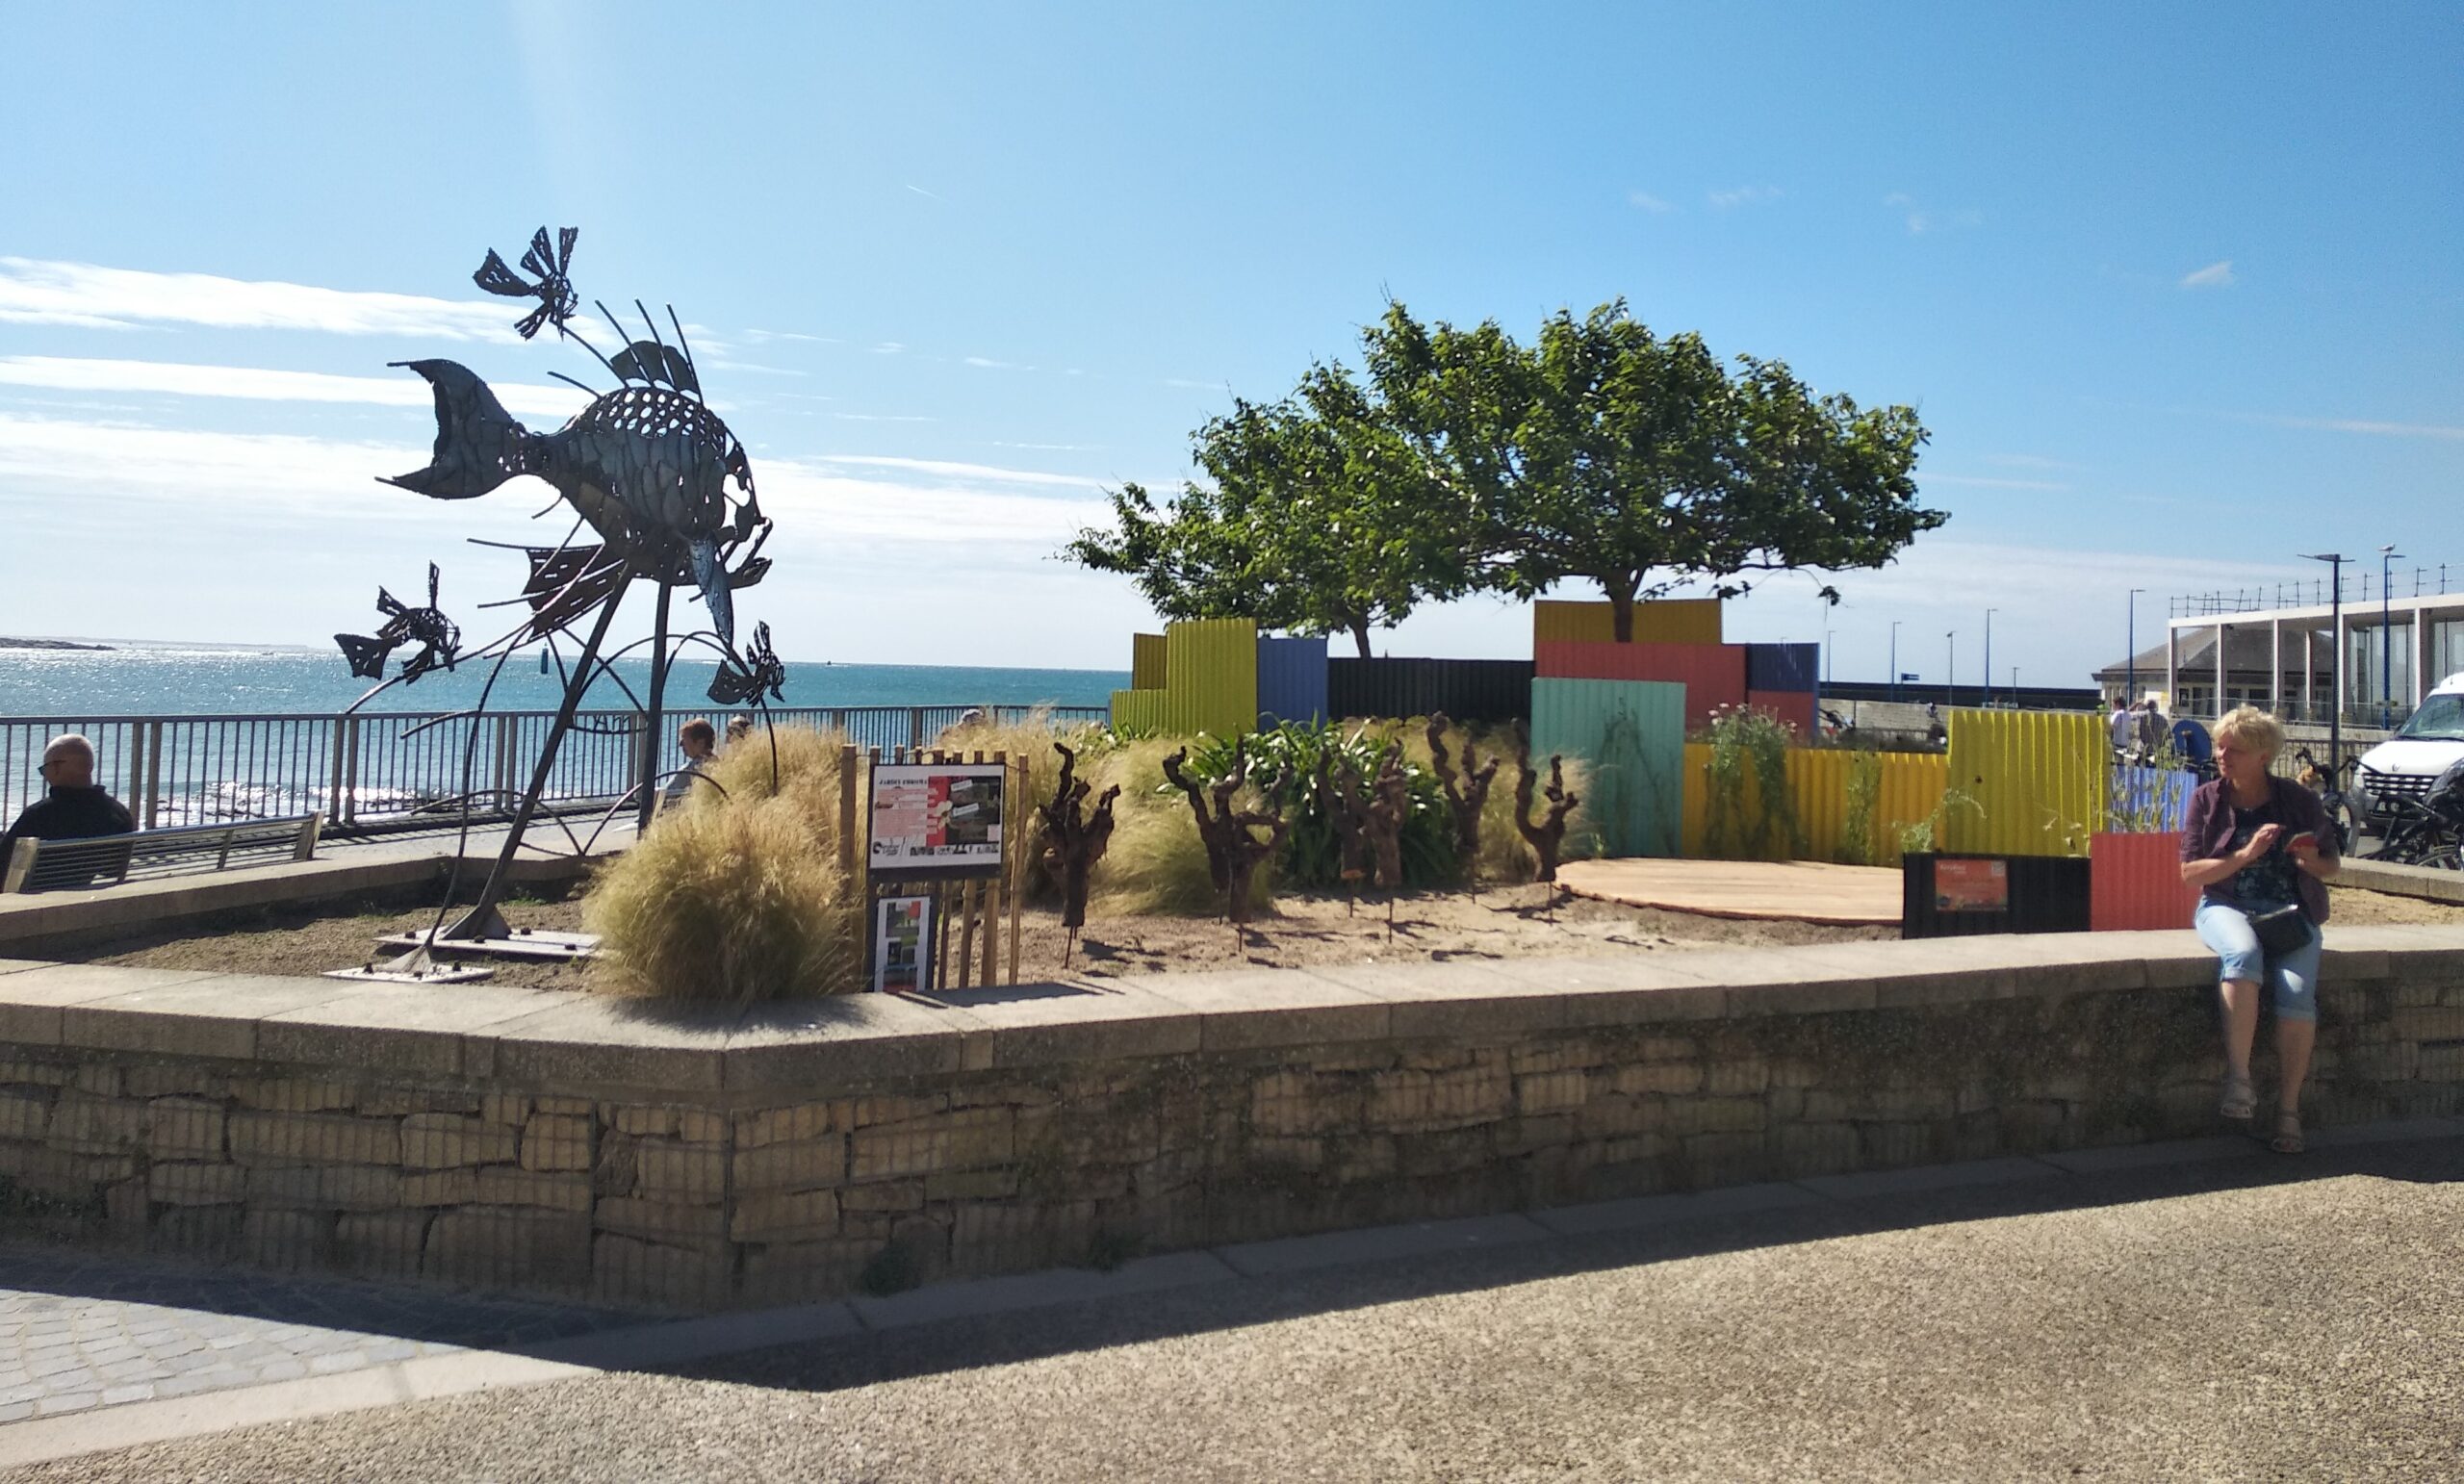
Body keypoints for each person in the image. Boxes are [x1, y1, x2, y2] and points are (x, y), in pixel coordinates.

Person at [2179, 705, 2339, 1154]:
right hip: (2225, 905)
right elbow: (2191, 874)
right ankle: (2240, 1080)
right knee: (2243, 954)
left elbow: (2332, 865)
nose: (2222, 755)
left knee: (2296, 992)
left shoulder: (2298, 800)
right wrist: (2246, 853)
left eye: (2235, 749)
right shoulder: (2207, 799)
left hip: (2291, 912)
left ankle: (2288, 1110)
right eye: (2220, 745)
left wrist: (2310, 860)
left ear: (2263, 755)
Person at [0, 734, 137, 886]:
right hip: (90, 894)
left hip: (35, 897)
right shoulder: (119, 814)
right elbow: (113, 871)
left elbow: (4, 865)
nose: (45, 776)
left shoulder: (39, 816)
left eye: (44, 769)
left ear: (56, 768)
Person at [664, 719, 717, 806]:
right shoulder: (720, 764)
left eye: (685, 740)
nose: (681, 745)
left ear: (700, 743)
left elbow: (664, 795)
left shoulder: (690, 770)